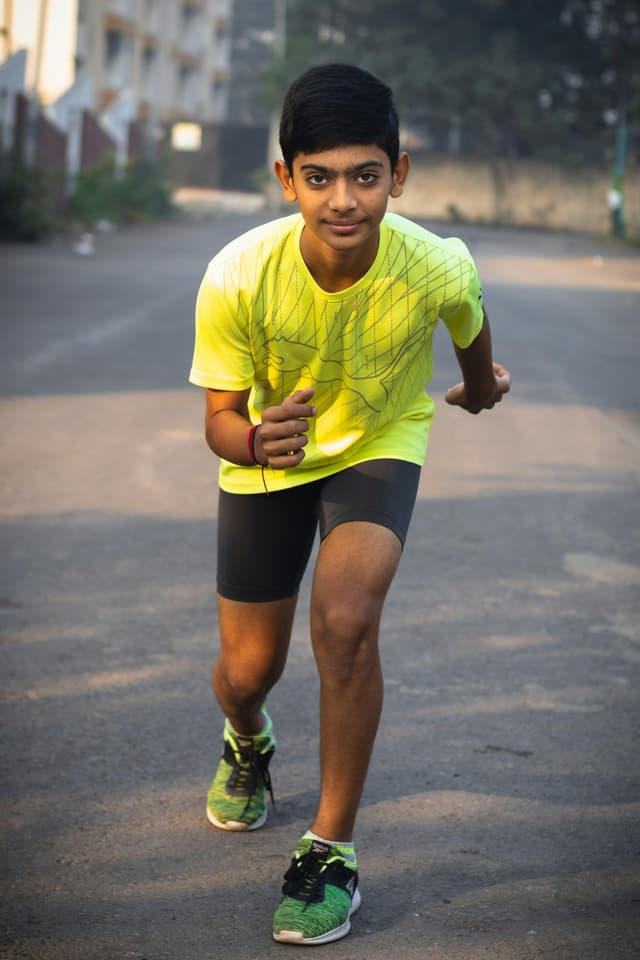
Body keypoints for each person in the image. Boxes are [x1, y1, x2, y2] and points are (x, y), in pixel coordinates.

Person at [189, 62, 511, 946]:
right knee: (247, 673)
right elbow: (217, 420)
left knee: (346, 620)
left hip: (377, 444)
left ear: (397, 175)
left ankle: (330, 849)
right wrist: (255, 440)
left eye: (366, 176)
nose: (344, 200)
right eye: (320, 177)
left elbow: (472, 326)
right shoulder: (238, 274)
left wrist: (479, 389)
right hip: (271, 457)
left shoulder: (434, 265)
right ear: (287, 177)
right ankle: (248, 741)